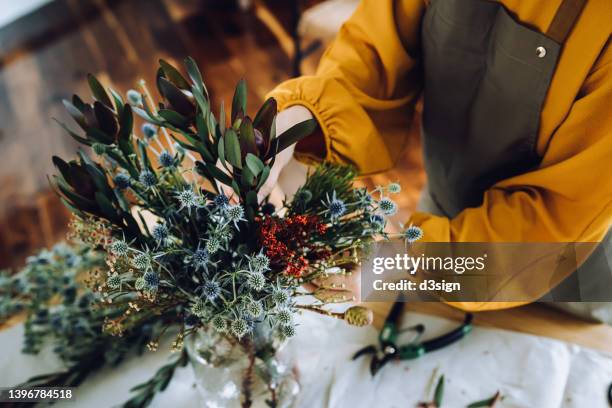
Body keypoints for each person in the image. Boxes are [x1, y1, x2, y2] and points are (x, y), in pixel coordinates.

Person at [261, 0, 612, 314]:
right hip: (439, 224)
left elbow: (557, 217)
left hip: (563, 275)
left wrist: (407, 262)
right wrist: (298, 121)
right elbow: (372, 60)